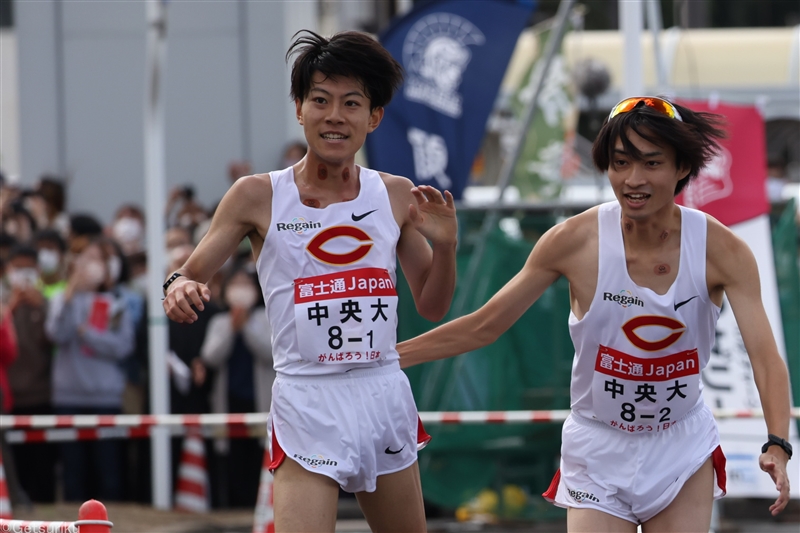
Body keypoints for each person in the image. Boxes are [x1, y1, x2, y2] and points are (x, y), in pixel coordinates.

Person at [398, 97, 793, 532]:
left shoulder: (722, 249)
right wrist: (388, 358)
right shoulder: (572, 241)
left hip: (680, 444)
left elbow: (765, 355)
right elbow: (486, 324)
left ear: (682, 168)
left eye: (651, 163)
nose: (633, 180)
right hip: (597, 446)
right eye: (620, 163)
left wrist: (778, 443)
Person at [164, 30, 458, 532]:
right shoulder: (257, 195)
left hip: (381, 390)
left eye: (351, 103)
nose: (335, 116)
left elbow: (431, 305)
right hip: (306, 397)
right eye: (320, 100)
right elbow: (188, 274)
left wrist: (447, 246)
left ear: (374, 117)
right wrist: (178, 287)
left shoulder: (394, 194)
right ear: (299, 109)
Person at [46, 237, 135, 501]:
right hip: (68, 396)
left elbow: (122, 347)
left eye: (99, 260)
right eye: (86, 259)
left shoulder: (116, 304)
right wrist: (70, 292)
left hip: (105, 397)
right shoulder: (62, 299)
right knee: (73, 471)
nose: (92, 266)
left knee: (108, 470)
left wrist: (88, 335)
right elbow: (56, 334)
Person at [196, 264, 273, 507]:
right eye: (236, 284)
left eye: (246, 284)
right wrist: (232, 328)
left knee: (259, 456)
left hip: (261, 400)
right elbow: (210, 356)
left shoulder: (266, 317)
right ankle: (233, 506)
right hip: (228, 400)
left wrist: (246, 327)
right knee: (232, 457)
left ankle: (257, 505)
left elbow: (270, 353)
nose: (241, 290)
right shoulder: (219, 321)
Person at [5, 244, 57, 502]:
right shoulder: (4, 304)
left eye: (29, 268)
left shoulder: (48, 301)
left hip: (42, 394)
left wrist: (42, 308)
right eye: (18, 268)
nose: (23, 274)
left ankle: (46, 506)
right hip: (10, 396)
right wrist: (11, 308)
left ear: (38, 270)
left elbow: (55, 339)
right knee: (15, 463)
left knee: (43, 462)